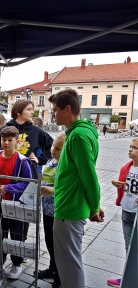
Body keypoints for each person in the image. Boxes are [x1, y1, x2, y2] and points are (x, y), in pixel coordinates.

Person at [48, 89, 104, 288]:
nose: (53, 113)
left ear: (68, 108)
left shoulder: (78, 136)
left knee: (68, 264)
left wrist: (95, 206)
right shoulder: (80, 132)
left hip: (69, 209)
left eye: (55, 110)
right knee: (68, 262)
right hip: (71, 205)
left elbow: (89, 176)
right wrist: (93, 204)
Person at [0, 100, 53, 250]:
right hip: (5, 178)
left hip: (27, 180)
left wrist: (40, 160)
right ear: (18, 111)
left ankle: (19, 248)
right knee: (1, 213)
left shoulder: (36, 131)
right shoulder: (7, 128)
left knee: (23, 218)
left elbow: (52, 146)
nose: (32, 112)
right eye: (29, 109)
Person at [0, 126, 32, 279]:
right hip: (0, 204)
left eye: (10, 140)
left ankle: (17, 264)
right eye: (4, 140)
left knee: (17, 235)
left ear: (17, 142)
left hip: (16, 206)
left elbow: (26, 184)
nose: (6, 143)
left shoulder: (22, 161)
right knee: (0, 234)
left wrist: (8, 188)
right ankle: (0, 262)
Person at [35, 133, 65, 288]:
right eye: (54, 146)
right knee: (48, 239)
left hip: (58, 210)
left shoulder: (65, 165)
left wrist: (52, 190)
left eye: (58, 148)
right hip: (46, 208)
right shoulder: (50, 161)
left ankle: (60, 276)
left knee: (57, 244)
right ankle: (52, 268)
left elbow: (68, 187)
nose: (54, 150)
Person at [107, 138, 138, 287]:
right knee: (129, 247)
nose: (130, 149)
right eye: (130, 146)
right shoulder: (127, 167)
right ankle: (127, 277)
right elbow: (123, 184)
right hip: (126, 209)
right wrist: (115, 182)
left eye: (135, 148)